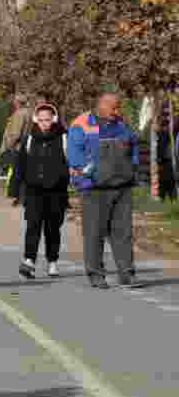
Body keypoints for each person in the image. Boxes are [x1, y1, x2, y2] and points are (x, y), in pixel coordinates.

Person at [67, 91, 143, 289]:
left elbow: (132, 147)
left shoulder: (122, 125)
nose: (117, 111)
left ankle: (127, 273)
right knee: (94, 233)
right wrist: (90, 175)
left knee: (123, 233)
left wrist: (132, 169)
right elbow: (75, 157)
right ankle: (96, 275)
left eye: (119, 107)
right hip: (94, 189)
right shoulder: (81, 124)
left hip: (122, 187)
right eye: (114, 107)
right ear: (101, 105)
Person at [8, 103, 69, 279]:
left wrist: (67, 178)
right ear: (36, 120)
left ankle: (52, 262)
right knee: (33, 226)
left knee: (53, 228)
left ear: (54, 119)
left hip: (56, 192)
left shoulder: (63, 138)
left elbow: (71, 162)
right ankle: (29, 260)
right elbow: (20, 165)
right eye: (41, 120)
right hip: (34, 191)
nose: (44, 123)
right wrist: (15, 189)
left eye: (48, 120)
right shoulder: (29, 139)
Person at [0, 93, 32, 175]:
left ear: (17, 102)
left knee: (13, 175)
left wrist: (8, 146)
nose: (13, 102)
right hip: (24, 148)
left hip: (15, 149)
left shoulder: (20, 114)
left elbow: (16, 134)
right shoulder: (29, 113)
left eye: (14, 100)